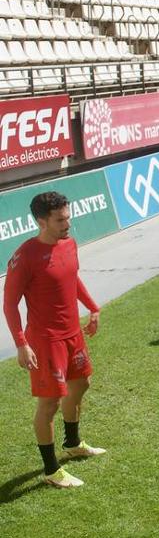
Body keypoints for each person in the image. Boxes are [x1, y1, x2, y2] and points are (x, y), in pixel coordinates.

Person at [3, 192, 105, 488]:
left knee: (82, 384)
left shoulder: (69, 244)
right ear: (41, 221)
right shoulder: (25, 257)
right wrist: (21, 343)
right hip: (46, 341)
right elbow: (10, 304)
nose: (67, 224)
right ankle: (51, 470)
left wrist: (93, 307)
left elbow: (72, 278)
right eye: (60, 220)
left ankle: (72, 443)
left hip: (73, 333)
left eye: (68, 217)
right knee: (49, 404)